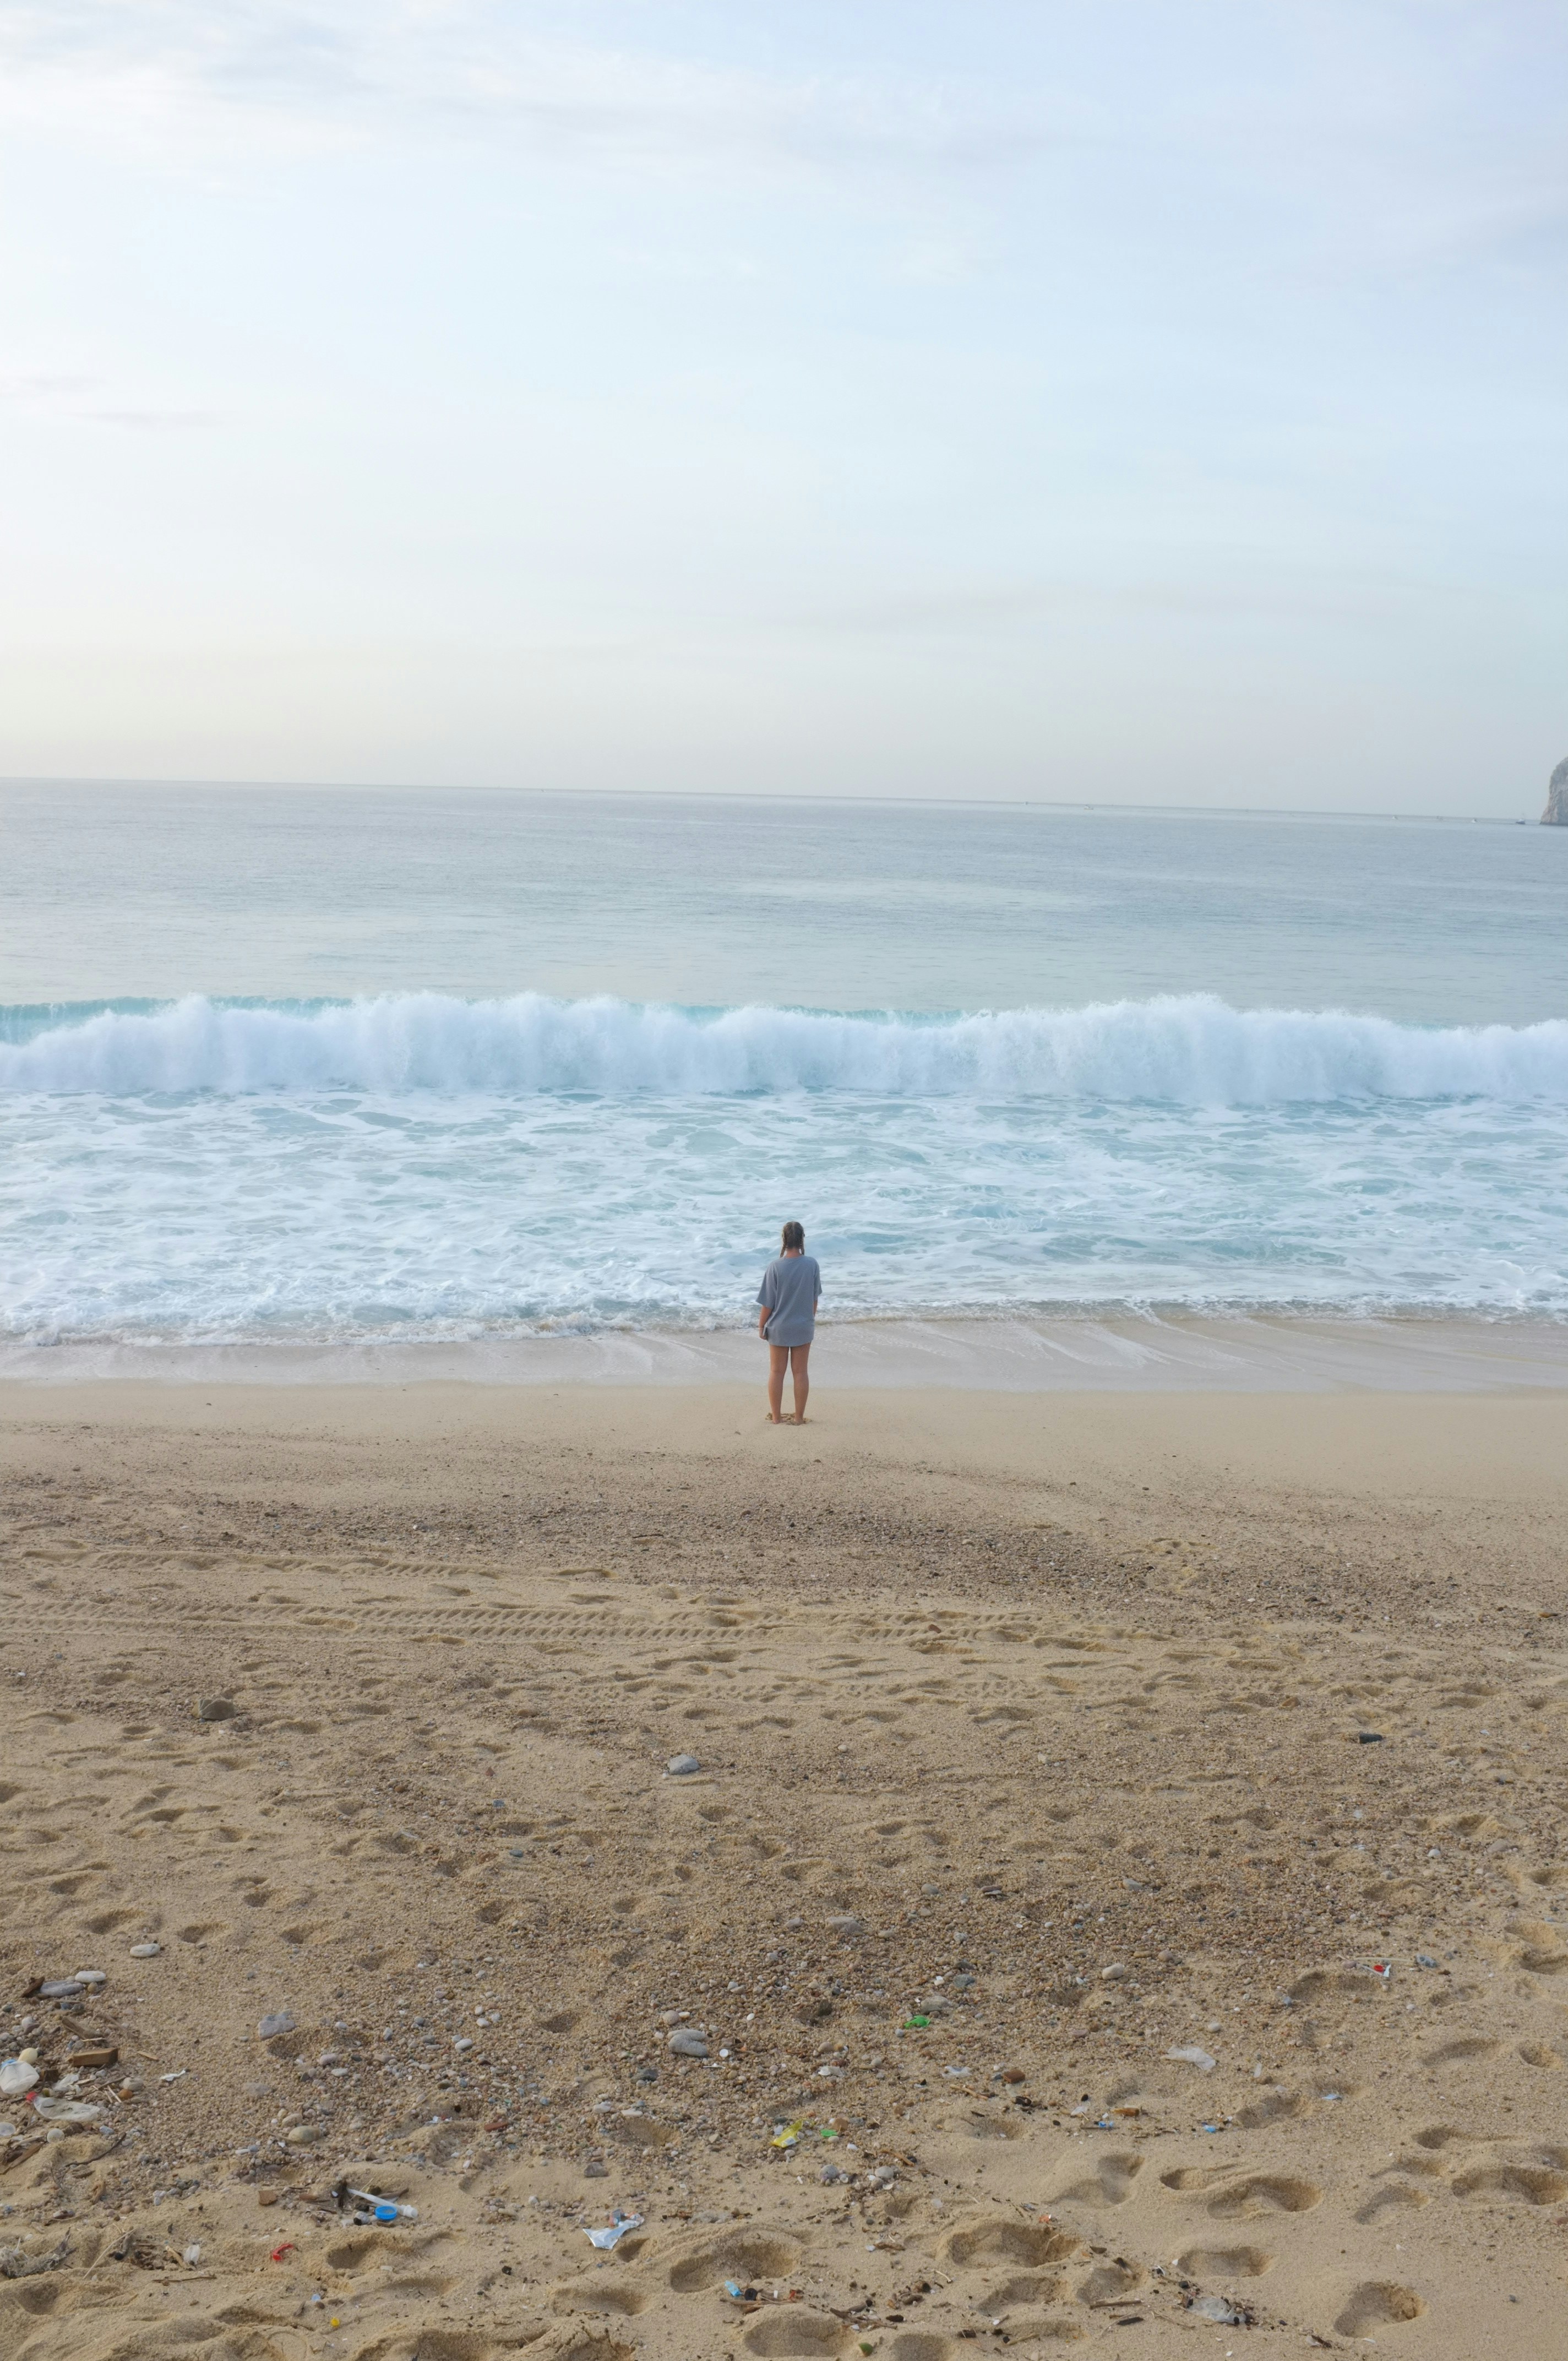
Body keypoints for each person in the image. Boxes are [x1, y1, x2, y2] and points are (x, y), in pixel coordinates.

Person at [756, 1221, 820, 1425]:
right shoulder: (812, 1264)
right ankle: (799, 1418)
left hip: (779, 1327)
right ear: (802, 1239)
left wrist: (761, 1326)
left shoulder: (775, 1267)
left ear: (784, 1240)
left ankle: (776, 1417)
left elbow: (768, 1303)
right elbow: (814, 1300)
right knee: (801, 1372)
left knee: (777, 1372)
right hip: (803, 1325)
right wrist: (808, 1320)